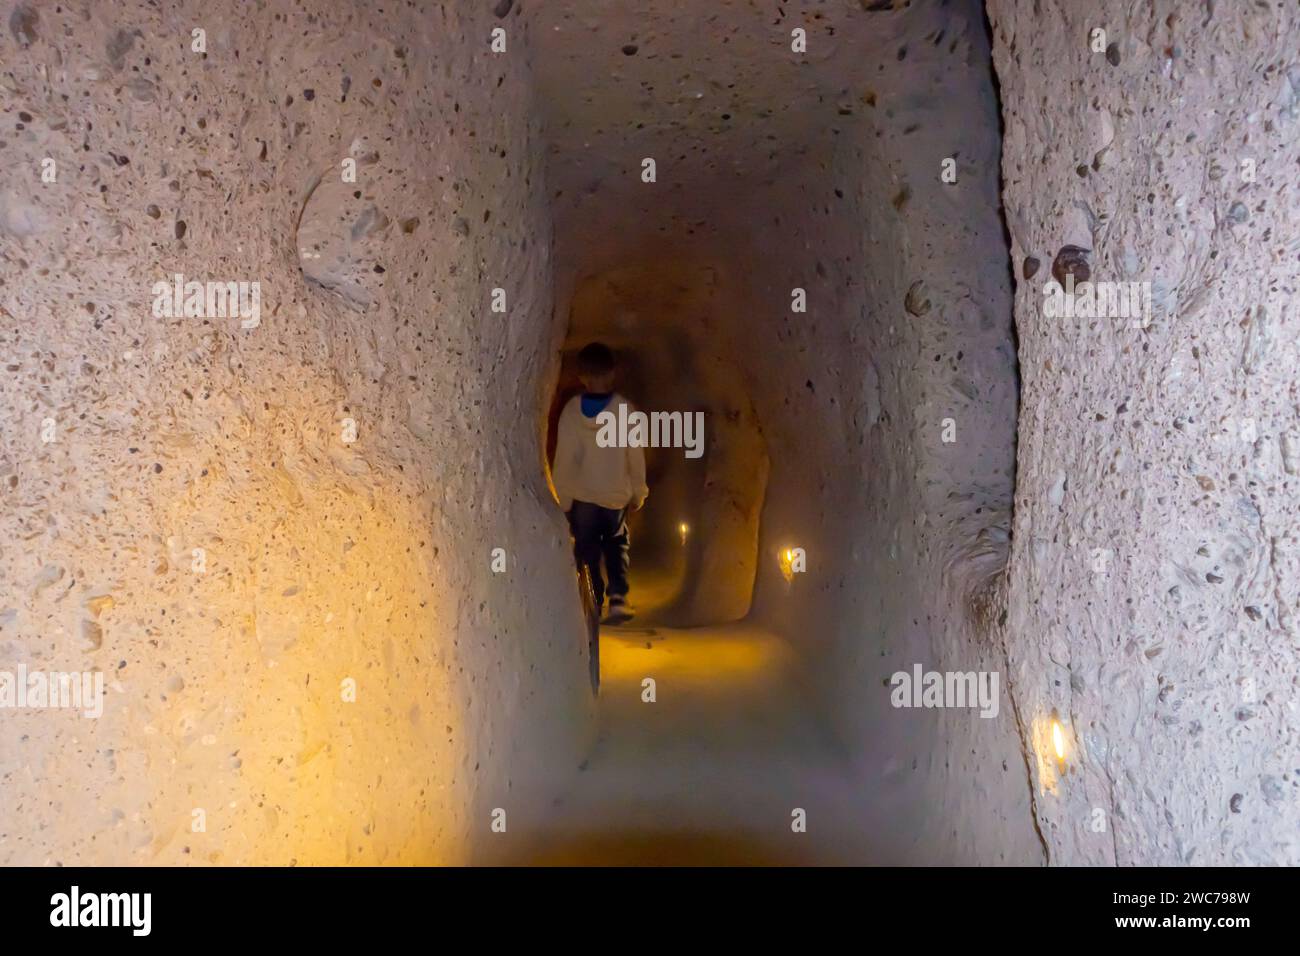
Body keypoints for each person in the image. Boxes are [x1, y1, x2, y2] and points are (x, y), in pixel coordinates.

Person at [552, 342, 648, 623]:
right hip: (615, 496)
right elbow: (635, 454)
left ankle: (593, 598)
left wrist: (564, 499)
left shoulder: (571, 411)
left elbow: (565, 458)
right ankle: (618, 597)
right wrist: (639, 491)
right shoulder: (625, 410)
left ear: (582, 377)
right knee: (617, 544)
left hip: (583, 497)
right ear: (613, 374)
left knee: (587, 547)